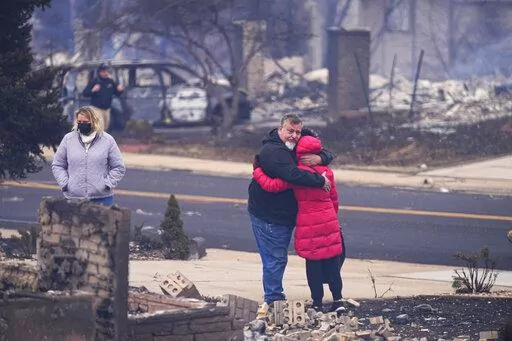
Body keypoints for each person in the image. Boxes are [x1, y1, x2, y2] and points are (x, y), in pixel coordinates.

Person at [248, 113, 334, 310]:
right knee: (275, 258)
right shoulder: (272, 151)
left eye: (297, 131)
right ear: (280, 130)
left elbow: (327, 152)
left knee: (282, 256)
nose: (294, 135)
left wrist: (319, 157)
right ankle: (274, 299)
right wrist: (320, 180)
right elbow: (292, 174)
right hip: (268, 214)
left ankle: (275, 296)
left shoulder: (300, 142)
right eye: (289, 131)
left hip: (288, 213)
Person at [52, 106, 126, 205]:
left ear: (94, 122)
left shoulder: (108, 140)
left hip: (102, 198)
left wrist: (108, 184)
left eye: (86, 122)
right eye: (80, 122)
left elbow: (118, 167)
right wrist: (65, 184)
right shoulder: (68, 139)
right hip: (74, 198)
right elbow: (58, 165)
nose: (82, 125)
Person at [82, 63, 124, 131]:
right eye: (103, 71)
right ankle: (95, 140)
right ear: (99, 72)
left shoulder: (111, 82)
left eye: (106, 71)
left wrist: (120, 90)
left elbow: (117, 93)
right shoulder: (94, 81)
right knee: (98, 128)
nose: (105, 73)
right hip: (96, 108)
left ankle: (102, 141)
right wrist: (93, 90)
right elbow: (85, 93)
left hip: (107, 109)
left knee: (105, 128)